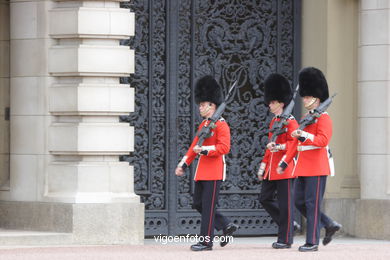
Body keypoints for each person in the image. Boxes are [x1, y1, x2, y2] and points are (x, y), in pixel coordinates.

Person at [175, 75, 238, 251]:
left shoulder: (221, 125)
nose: (200, 108)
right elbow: (194, 146)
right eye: (200, 105)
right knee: (198, 204)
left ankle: (206, 242)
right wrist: (184, 164)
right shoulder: (204, 124)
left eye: (203, 105)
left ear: (212, 105)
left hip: (215, 171)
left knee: (208, 207)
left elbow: (224, 148)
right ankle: (225, 225)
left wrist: (205, 151)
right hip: (202, 171)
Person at [291, 67, 342, 252]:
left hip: (318, 167)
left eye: (307, 96)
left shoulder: (324, 118)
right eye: (304, 96)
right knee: (298, 201)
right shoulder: (306, 117)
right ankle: (327, 223)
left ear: (317, 98)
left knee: (312, 204)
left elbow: (322, 141)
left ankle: (312, 242)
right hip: (303, 166)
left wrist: (303, 136)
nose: (304, 99)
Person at [257, 73, 299, 249]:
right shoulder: (274, 121)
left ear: (281, 103)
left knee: (285, 203)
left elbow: (294, 143)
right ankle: (290, 224)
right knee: (264, 198)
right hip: (271, 167)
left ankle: (285, 238)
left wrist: (280, 148)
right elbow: (270, 145)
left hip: (285, 167)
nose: (270, 105)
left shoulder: (290, 122)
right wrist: (263, 165)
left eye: (273, 102)